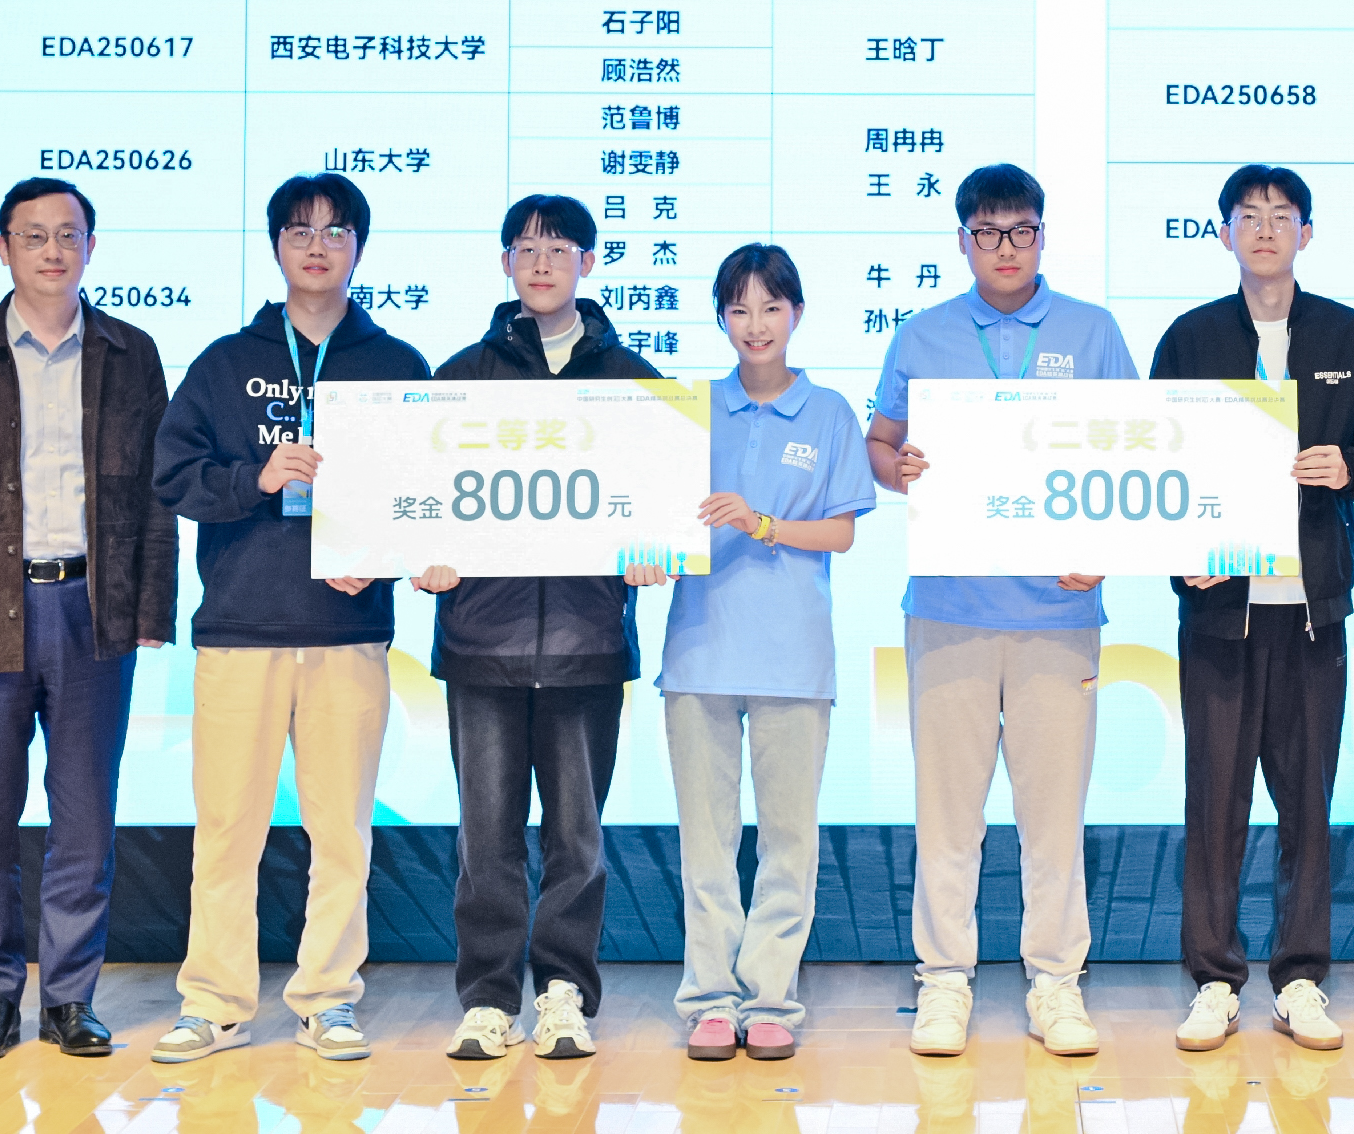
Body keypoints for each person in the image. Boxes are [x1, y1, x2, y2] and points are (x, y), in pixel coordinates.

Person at [147, 174, 431, 1065]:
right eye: (300, 230)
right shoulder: (225, 363)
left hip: (349, 632)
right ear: (275, 244)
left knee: (341, 832)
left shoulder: (397, 366)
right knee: (227, 829)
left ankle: (328, 998)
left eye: (336, 230)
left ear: (359, 247)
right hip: (242, 629)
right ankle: (214, 1001)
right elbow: (172, 476)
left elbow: (429, 496)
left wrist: (383, 554)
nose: (317, 245)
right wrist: (256, 478)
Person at [0, 176, 174, 1063]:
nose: (53, 250)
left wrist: (152, 606)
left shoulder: (132, 353)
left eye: (68, 234)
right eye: (34, 235)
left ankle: (69, 998)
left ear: (92, 246)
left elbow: (157, 496)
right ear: (3, 248)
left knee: (84, 820)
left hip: (94, 611)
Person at [869, 163, 1134, 1058]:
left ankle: (1055, 982)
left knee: (1052, 817)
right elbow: (880, 440)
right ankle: (944, 980)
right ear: (963, 240)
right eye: (987, 233)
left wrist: (1107, 547)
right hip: (950, 604)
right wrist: (898, 468)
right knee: (948, 814)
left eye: (1021, 230)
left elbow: (1136, 455)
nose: (1006, 248)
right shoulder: (923, 333)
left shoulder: (1093, 331)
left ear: (1042, 234)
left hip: (1061, 610)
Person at [1150, 164, 1354, 1054]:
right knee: (1213, 801)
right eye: (1249, 215)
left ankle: (1300, 977)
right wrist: (1183, 559)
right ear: (1224, 232)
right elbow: (1154, 464)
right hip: (1219, 613)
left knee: (1307, 803)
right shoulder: (1189, 337)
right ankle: (1214, 980)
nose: (1265, 228)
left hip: (1309, 609)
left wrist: (1350, 467)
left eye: (1282, 214)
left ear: (1307, 231)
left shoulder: (1348, 333)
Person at [420, 194, 667, 1064]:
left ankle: (565, 994)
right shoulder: (459, 376)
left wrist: (657, 550)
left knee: (577, 839)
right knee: (484, 840)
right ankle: (489, 999)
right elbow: (420, 497)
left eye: (558, 248)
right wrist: (420, 551)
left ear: (588, 263)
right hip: (480, 644)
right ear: (504, 264)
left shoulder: (634, 381)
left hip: (585, 642)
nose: (540, 263)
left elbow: (662, 503)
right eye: (524, 248)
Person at [648, 243, 876, 1061]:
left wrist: (762, 523)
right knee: (706, 842)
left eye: (771, 307)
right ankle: (710, 998)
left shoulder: (830, 411)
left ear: (797, 313)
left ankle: (771, 997)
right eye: (739, 308)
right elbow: (650, 514)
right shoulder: (688, 409)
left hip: (793, 656)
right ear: (720, 317)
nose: (756, 324)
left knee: (788, 838)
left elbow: (842, 532)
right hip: (700, 652)